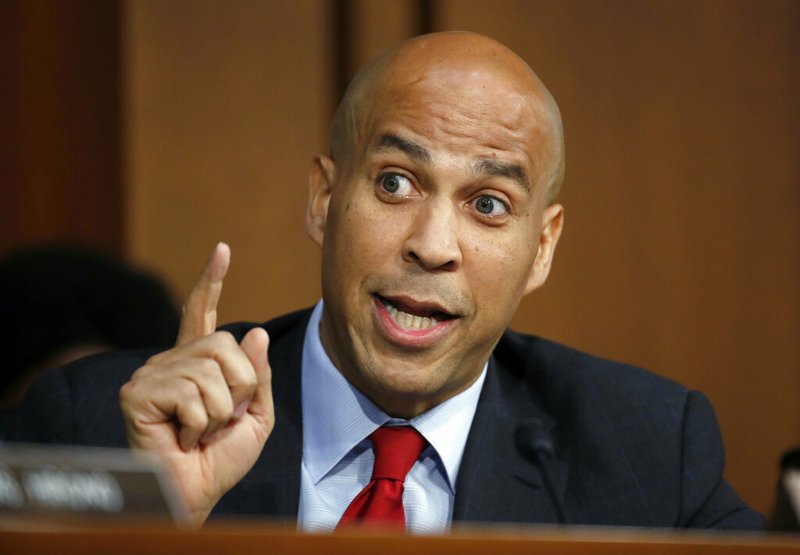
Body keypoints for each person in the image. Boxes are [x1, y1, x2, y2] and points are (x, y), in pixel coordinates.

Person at [10, 31, 763, 531]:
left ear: (542, 248)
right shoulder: (93, 426)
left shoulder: (649, 457)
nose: (433, 246)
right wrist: (161, 528)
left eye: (489, 204)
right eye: (397, 183)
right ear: (324, 199)